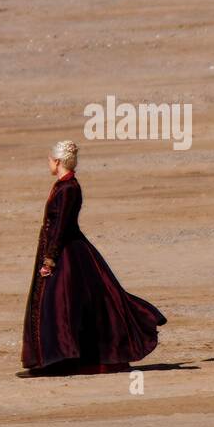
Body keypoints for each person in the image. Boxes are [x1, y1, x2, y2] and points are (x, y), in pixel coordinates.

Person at [21, 140, 166, 376]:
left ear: (57, 162)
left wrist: (50, 259)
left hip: (67, 253)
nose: (48, 163)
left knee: (60, 304)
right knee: (64, 304)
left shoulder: (68, 188)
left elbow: (61, 226)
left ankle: (62, 360)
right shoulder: (62, 185)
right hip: (63, 250)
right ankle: (57, 360)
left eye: (50, 159)